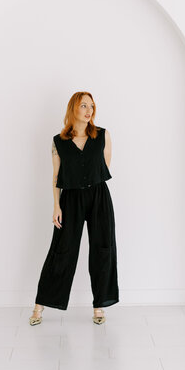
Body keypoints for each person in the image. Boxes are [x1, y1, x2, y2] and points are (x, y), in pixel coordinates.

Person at [29, 91, 119, 326]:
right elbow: (56, 176)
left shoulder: (103, 135)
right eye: (83, 105)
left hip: (99, 196)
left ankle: (99, 306)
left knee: (103, 249)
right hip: (70, 200)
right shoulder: (59, 141)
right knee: (62, 250)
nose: (89, 110)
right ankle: (39, 306)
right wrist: (56, 205)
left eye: (92, 106)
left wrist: (89, 182)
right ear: (73, 109)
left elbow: (103, 166)